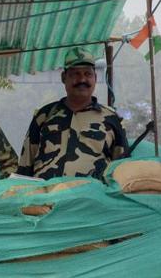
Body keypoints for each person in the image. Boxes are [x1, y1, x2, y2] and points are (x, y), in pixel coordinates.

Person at [17, 46, 129, 180]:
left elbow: (123, 169)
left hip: (92, 198)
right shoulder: (44, 116)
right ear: (64, 77)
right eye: (75, 74)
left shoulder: (112, 119)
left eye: (88, 74)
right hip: (47, 197)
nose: (82, 80)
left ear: (95, 77)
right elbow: (26, 164)